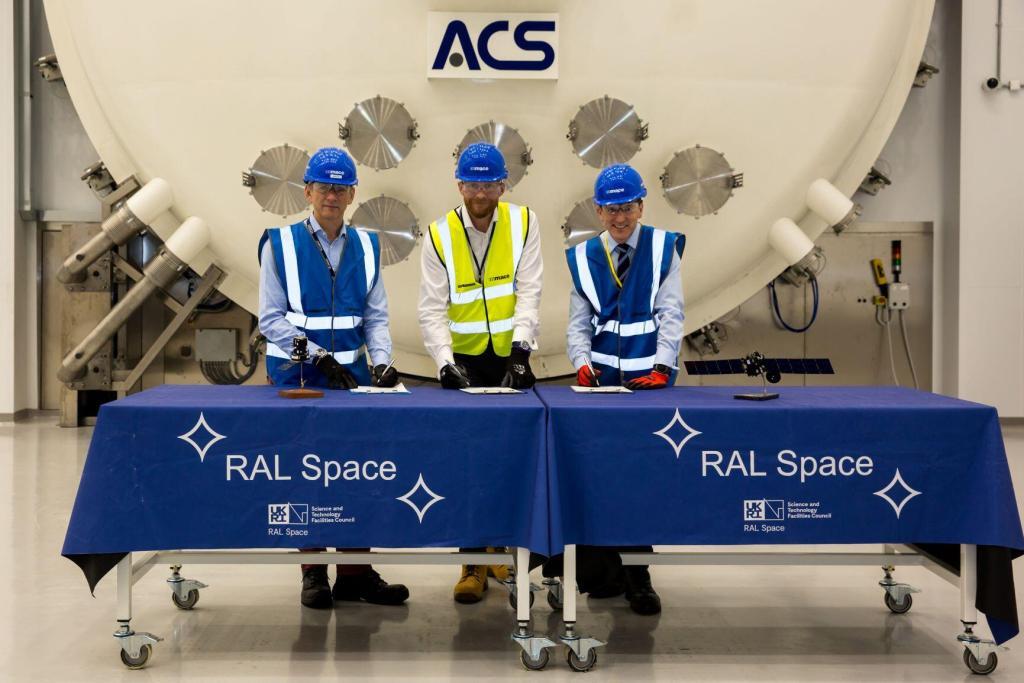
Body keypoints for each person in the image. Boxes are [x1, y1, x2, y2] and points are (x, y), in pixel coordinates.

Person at [258, 146, 408, 609]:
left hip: (353, 381)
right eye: (324, 187)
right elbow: (270, 319)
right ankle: (312, 573)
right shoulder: (280, 244)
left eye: (341, 188)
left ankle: (356, 573)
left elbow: (376, 316)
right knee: (306, 475)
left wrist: (381, 362)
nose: (332, 196)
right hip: (297, 378)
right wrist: (317, 356)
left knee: (358, 474)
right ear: (307, 192)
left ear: (352, 195)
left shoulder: (366, 244)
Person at [418, 142, 543, 603]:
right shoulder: (439, 233)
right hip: (466, 364)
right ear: (459, 185)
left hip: (510, 360)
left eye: (489, 184)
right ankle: (471, 561)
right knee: (467, 463)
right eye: (472, 183)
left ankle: (503, 555)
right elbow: (432, 307)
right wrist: (444, 364)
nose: (480, 193)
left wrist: (522, 350)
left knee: (510, 460)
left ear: (503, 186)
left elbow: (530, 288)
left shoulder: (524, 222)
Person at [561, 162, 686, 615]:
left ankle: (639, 577)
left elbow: (672, 312)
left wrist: (663, 365)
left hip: (649, 389)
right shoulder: (581, 257)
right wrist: (580, 363)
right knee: (599, 480)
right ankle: (604, 574)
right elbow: (578, 323)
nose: (619, 218)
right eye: (611, 210)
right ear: (598, 211)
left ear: (641, 206)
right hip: (599, 391)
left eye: (627, 207)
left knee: (640, 482)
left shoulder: (662, 247)